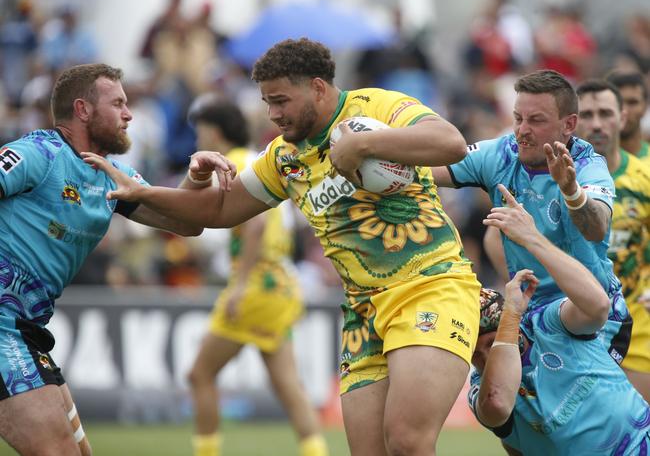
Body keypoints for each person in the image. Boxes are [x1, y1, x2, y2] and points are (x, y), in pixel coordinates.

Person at [83, 37, 482, 456]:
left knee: (406, 442)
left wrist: (363, 144)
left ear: (317, 88)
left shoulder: (377, 106)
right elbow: (214, 213)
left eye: (281, 101)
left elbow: (450, 142)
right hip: (363, 314)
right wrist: (157, 189)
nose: (272, 114)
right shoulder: (282, 158)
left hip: (429, 286)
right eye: (266, 102)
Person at [0, 63, 231, 456]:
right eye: (119, 103)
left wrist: (195, 176)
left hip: (27, 329)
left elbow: (188, 224)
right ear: (83, 110)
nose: (129, 114)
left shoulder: (113, 177)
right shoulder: (38, 153)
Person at [432, 69, 631, 365]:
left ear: (569, 125)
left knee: (579, 409)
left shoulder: (589, 166)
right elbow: (426, 173)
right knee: (499, 404)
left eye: (536, 120)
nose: (522, 130)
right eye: (518, 118)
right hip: (533, 315)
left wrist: (571, 191)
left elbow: (597, 229)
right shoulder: (501, 155)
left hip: (591, 319)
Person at [185, 94, 328, 456]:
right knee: (287, 385)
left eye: (202, 131)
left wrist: (241, 284)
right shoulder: (262, 161)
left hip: (256, 285)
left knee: (200, 375)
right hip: (281, 284)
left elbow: (256, 226)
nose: (199, 139)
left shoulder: (229, 164)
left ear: (215, 133)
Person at [470, 184, 650, 456]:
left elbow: (597, 306)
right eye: (475, 354)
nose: (485, 358)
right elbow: (497, 407)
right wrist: (507, 324)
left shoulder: (544, 322)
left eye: (492, 343)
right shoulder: (478, 386)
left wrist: (532, 238)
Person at [574, 78, 650, 403]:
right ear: (572, 122)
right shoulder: (557, 177)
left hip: (638, 323)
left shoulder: (644, 178)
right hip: (574, 324)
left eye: (605, 113)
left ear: (623, 117)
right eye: (586, 115)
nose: (596, 124)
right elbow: (497, 234)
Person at [606, 71, 650, 163]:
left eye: (632, 102)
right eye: (618, 102)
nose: (624, 110)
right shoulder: (586, 163)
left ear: (645, 107)